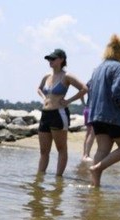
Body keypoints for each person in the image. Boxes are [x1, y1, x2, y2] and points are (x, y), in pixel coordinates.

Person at [87, 35, 120, 187]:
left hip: (97, 116)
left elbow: (89, 88)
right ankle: (97, 169)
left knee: (102, 149)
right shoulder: (118, 68)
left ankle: (94, 186)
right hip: (115, 117)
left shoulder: (98, 69)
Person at [36, 48, 88, 177]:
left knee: (61, 149)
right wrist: (44, 98)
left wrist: (69, 101)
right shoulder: (47, 76)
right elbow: (39, 88)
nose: (50, 61)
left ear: (61, 60)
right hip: (45, 114)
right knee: (44, 151)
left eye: (53, 59)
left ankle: (58, 178)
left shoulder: (67, 76)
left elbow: (84, 88)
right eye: (49, 59)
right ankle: (39, 178)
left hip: (59, 114)